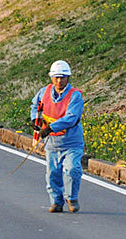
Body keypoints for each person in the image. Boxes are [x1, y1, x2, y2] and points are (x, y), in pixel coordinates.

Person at [30, 60, 85, 213]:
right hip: (53, 143)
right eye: (56, 77)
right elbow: (35, 106)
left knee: (72, 169)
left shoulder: (75, 96)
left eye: (63, 77)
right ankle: (56, 201)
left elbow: (72, 117)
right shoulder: (44, 92)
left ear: (68, 78)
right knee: (52, 173)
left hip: (71, 142)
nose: (59, 80)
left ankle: (71, 198)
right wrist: (35, 120)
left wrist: (50, 128)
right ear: (51, 78)